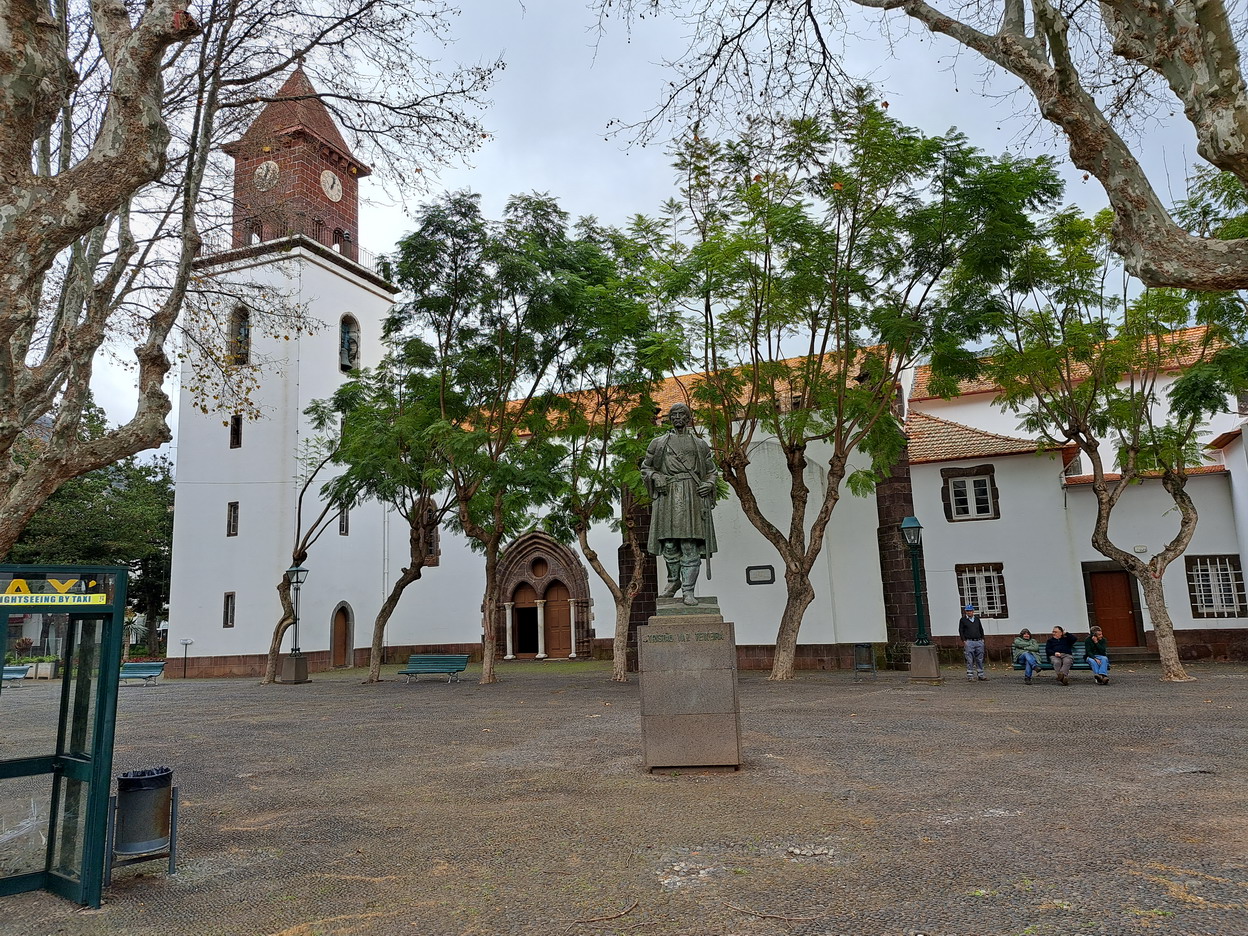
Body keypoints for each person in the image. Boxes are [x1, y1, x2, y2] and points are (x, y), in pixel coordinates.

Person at [641, 403, 719, 606]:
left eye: (681, 414)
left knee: (688, 544)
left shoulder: (699, 445)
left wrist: (709, 484)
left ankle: (688, 590)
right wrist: (656, 476)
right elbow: (646, 467)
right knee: (669, 544)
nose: (677, 417)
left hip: (692, 495)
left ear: (688, 418)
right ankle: (673, 581)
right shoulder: (658, 443)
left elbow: (711, 471)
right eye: (673, 414)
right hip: (668, 495)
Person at [958, 604, 987, 681]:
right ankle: (970, 675)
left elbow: (981, 629)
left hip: (978, 641)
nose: (969, 612)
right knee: (969, 659)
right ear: (965, 612)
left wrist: (982, 638)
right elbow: (961, 630)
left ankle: (981, 674)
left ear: (973, 611)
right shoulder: (963, 620)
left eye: (970, 611)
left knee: (980, 658)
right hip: (969, 641)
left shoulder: (977, 619)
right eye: (967, 611)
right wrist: (964, 640)